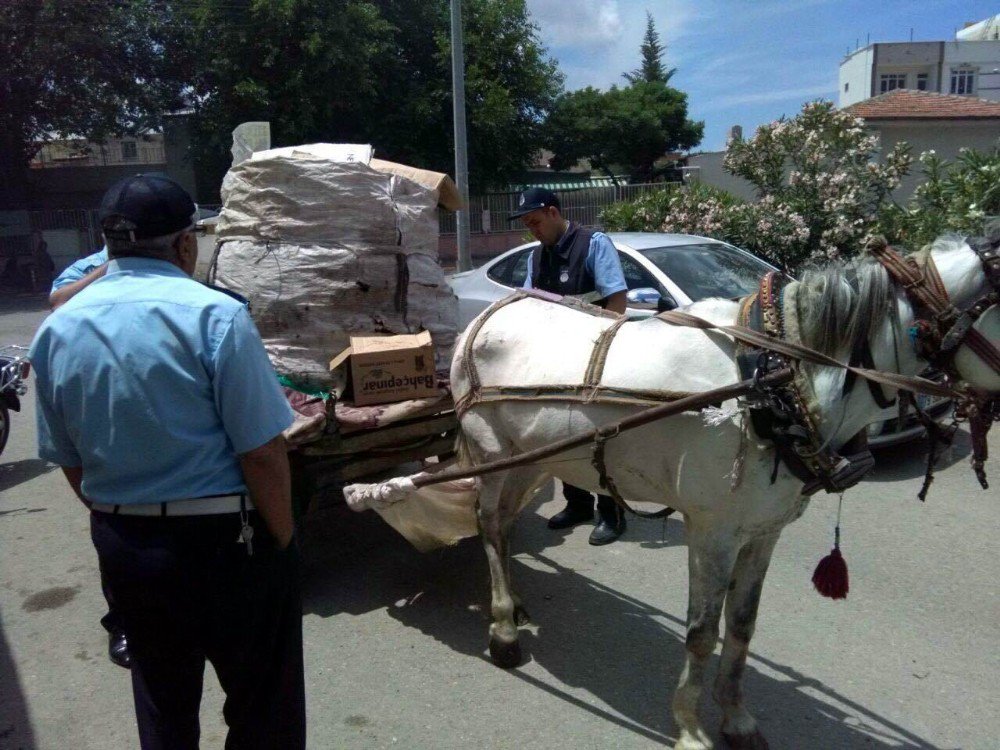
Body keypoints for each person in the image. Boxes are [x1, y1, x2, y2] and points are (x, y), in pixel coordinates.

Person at [30, 173, 305, 748]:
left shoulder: (57, 330)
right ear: (185, 244)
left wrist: (122, 517)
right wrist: (283, 542)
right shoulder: (216, 315)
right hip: (229, 543)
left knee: (163, 702)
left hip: (128, 549)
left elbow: (70, 462)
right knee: (262, 705)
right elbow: (261, 452)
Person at [510, 187, 630, 545]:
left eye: (535, 222)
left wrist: (601, 351)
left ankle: (612, 513)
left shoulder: (594, 243)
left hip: (596, 359)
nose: (533, 230)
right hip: (557, 360)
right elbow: (529, 304)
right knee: (560, 434)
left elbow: (617, 297)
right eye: (528, 225)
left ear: (552, 212)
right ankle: (577, 504)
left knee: (600, 437)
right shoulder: (536, 258)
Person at [46, 243, 130, 667]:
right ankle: (123, 626)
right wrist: (109, 269)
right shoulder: (86, 268)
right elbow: (59, 302)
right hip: (106, 395)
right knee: (118, 532)